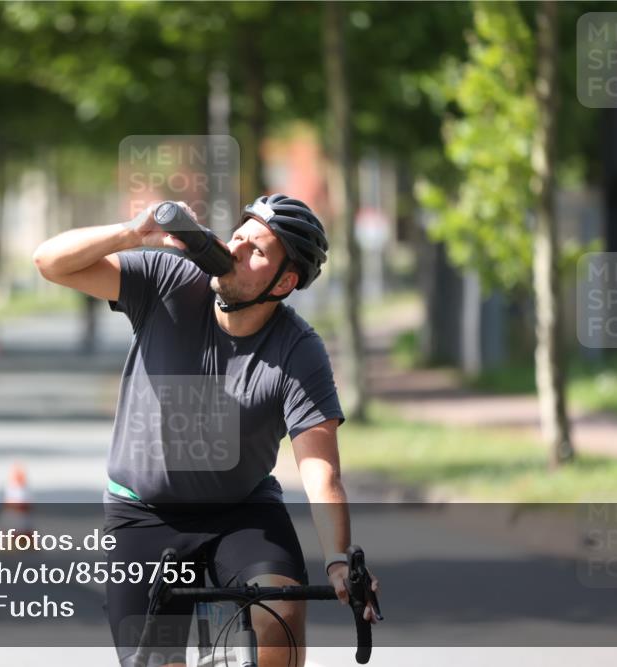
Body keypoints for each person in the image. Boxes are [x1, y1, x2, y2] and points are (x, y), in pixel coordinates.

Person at [33, 194, 380, 667]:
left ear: (285, 282)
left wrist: (339, 561)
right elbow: (50, 262)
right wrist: (134, 232)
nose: (236, 249)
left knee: (280, 614)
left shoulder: (299, 351)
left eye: (256, 250)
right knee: (156, 659)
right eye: (238, 236)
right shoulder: (169, 280)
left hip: (241, 513)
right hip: (142, 514)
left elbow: (320, 472)